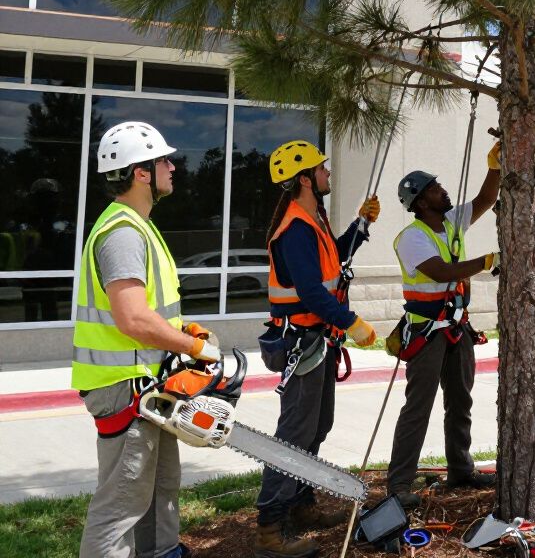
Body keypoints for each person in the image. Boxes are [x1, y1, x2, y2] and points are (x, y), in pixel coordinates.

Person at [73, 121, 220, 558]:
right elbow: (133, 317)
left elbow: (150, 309)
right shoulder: (122, 232)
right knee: (120, 506)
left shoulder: (140, 226)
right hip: (124, 386)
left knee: (160, 492)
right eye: (163, 161)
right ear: (140, 172)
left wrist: (182, 333)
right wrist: (192, 348)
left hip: (146, 383)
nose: (172, 167)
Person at [255, 140, 380, 558]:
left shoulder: (313, 221)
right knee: (293, 436)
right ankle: (271, 531)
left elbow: (332, 264)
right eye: (322, 169)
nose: (328, 173)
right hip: (302, 344)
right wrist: (352, 322)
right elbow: (310, 292)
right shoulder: (295, 229)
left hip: (318, 342)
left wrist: (360, 227)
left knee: (316, 427)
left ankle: (301, 504)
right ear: (305, 179)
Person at [386, 141, 501, 510]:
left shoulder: (451, 222)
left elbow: (484, 200)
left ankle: (460, 469)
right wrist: (485, 261)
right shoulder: (413, 238)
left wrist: (494, 164)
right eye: (435, 188)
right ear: (421, 202)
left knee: (460, 400)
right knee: (418, 406)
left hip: (456, 327)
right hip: (426, 332)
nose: (443, 190)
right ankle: (399, 483)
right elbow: (442, 271)